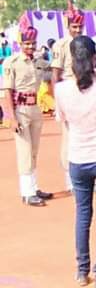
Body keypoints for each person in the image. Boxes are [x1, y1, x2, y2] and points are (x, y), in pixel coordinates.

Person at [55, 36, 96, 288]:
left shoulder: (61, 89)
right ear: (95, 58)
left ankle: (82, 271)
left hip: (78, 158)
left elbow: (63, 120)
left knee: (82, 215)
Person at [3, 15, 53, 206]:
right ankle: (27, 192)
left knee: (33, 151)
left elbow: (52, 74)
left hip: (35, 108)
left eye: (33, 43)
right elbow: (7, 91)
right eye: (27, 44)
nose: (31, 47)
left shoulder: (38, 62)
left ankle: (33, 187)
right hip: (20, 109)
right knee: (24, 150)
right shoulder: (12, 62)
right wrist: (11, 117)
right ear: (20, 44)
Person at [51, 1, 85, 191]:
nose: (78, 30)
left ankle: (85, 177)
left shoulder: (86, 42)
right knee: (69, 137)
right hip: (68, 91)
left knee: (85, 135)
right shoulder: (61, 45)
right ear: (68, 26)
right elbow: (55, 75)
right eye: (74, 26)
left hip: (86, 91)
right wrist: (57, 102)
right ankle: (70, 179)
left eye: (80, 26)